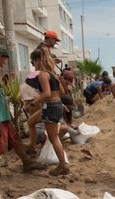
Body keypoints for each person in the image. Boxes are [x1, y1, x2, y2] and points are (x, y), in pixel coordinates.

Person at [0, 44, 44, 184]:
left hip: (2, 115)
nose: (4, 63)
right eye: (4, 59)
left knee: (16, 140)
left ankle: (27, 163)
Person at [29, 48, 69, 176]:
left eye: (33, 61)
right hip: (56, 105)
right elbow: (62, 92)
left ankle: (63, 166)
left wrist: (35, 102)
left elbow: (46, 93)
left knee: (53, 138)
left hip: (50, 106)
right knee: (31, 121)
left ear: (38, 60)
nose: (32, 64)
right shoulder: (53, 74)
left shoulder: (42, 74)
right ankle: (32, 147)